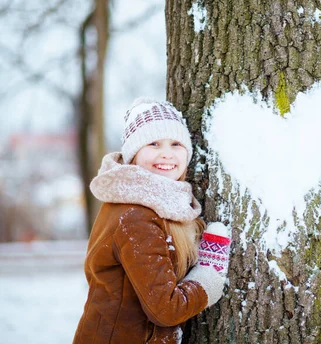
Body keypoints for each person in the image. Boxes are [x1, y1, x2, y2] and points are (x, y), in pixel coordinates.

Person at [74, 98, 230, 344]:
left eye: (176, 144)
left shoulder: (150, 204)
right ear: (134, 154)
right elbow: (166, 310)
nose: (166, 153)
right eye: (153, 143)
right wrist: (207, 278)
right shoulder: (136, 218)